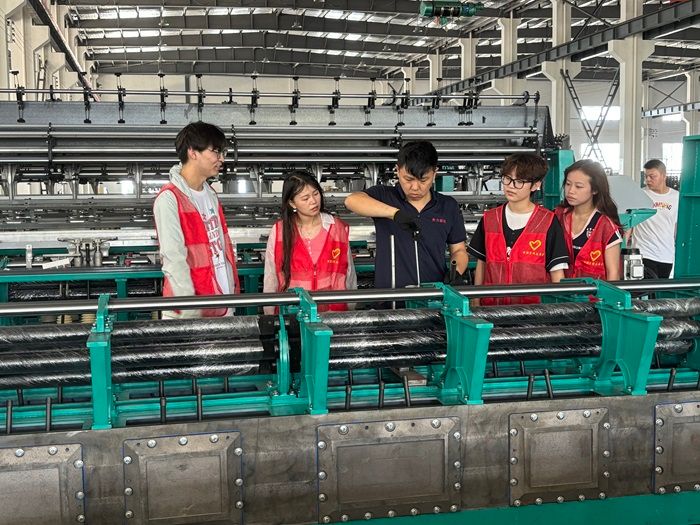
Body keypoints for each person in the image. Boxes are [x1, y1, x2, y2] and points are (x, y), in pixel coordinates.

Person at [344, 141, 468, 291]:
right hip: (389, 297)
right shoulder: (385, 196)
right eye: (408, 179)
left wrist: (456, 273)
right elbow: (351, 200)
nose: (415, 187)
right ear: (397, 170)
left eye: (423, 180)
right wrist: (394, 213)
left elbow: (459, 250)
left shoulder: (448, 206)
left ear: (435, 173)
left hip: (434, 296)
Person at [153, 122, 240, 319]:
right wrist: (189, 309)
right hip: (190, 311)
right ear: (192, 152)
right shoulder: (169, 198)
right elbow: (174, 259)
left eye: (223, 152)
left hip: (222, 302)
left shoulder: (210, 194)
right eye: (216, 152)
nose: (222, 159)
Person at [467, 153, 569, 305]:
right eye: (507, 179)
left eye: (519, 181)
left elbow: (557, 272)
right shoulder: (490, 219)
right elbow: (482, 264)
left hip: (534, 311)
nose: (510, 186)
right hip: (492, 309)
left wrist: (559, 309)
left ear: (536, 185)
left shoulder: (547, 221)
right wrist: (476, 302)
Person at [263, 171, 356, 313]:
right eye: (305, 198)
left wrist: (350, 312)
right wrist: (270, 314)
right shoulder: (280, 231)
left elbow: (349, 274)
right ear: (292, 203)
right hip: (293, 313)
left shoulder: (336, 228)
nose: (313, 201)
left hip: (333, 313)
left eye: (316, 194)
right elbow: (271, 277)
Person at [555, 160, 622, 280]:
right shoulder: (557, 217)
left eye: (579, 186)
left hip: (593, 292)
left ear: (595, 190)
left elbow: (613, 273)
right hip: (560, 290)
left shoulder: (605, 226)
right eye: (568, 184)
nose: (571, 191)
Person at [629, 159, 679, 278]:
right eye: (646, 176)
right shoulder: (640, 195)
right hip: (643, 253)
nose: (648, 180)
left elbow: (676, 226)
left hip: (666, 255)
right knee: (646, 286)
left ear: (664, 176)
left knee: (660, 288)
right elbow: (630, 223)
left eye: (652, 176)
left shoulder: (676, 197)